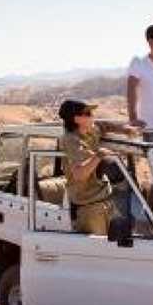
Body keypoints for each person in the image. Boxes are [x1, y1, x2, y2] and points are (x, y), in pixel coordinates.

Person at [58, 99, 116, 235]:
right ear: (77, 119)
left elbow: (104, 126)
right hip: (89, 208)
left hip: (104, 202)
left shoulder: (90, 131)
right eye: (88, 113)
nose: (93, 116)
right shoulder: (71, 140)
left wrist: (125, 129)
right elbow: (79, 174)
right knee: (100, 252)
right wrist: (98, 156)